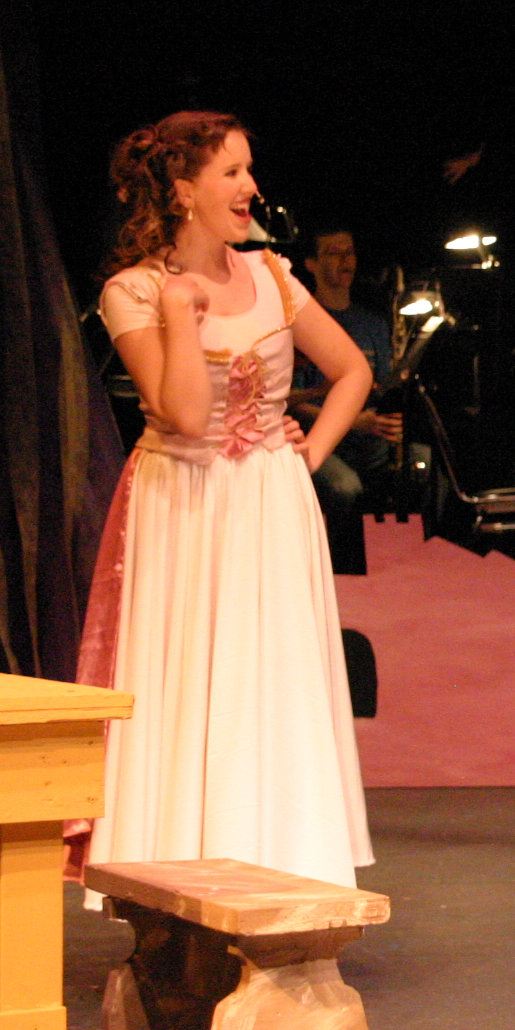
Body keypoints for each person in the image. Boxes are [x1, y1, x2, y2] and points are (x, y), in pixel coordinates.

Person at [70, 111, 375, 893]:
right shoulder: (133, 291)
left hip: (268, 501)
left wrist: (311, 451)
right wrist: (178, 312)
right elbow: (181, 413)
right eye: (232, 173)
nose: (251, 187)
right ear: (182, 189)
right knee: (185, 682)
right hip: (183, 501)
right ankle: (175, 880)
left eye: (248, 169)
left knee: (267, 677)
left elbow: (353, 371)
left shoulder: (272, 275)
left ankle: (280, 866)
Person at [291, 226, 401, 517]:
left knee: (421, 466)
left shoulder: (373, 324)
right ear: (311, 264)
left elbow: (382, 386)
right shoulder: (301, 322)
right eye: (333, 253)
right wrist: (353, 421)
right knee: (345, 488)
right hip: (318, 438)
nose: (345, 260)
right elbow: (291, 401)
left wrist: (389, 418)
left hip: (366, 437)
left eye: (349, 252)